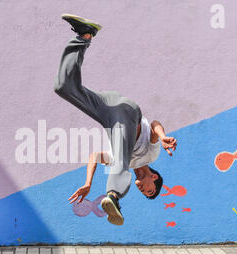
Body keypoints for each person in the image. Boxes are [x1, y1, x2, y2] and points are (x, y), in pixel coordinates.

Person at [54, 14, 177, 226]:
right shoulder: (151, 155)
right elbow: (155, 124)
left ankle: (84, 35)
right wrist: (164, 136)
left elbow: (95, 155)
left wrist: (88, 183)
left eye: (143, 193)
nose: (142, 189)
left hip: (109, 110)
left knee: (65, 88)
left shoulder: (122, 159)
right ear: (154, 178)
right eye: (148, 189)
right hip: (129, 113)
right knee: (121, 161)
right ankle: (113, 197)